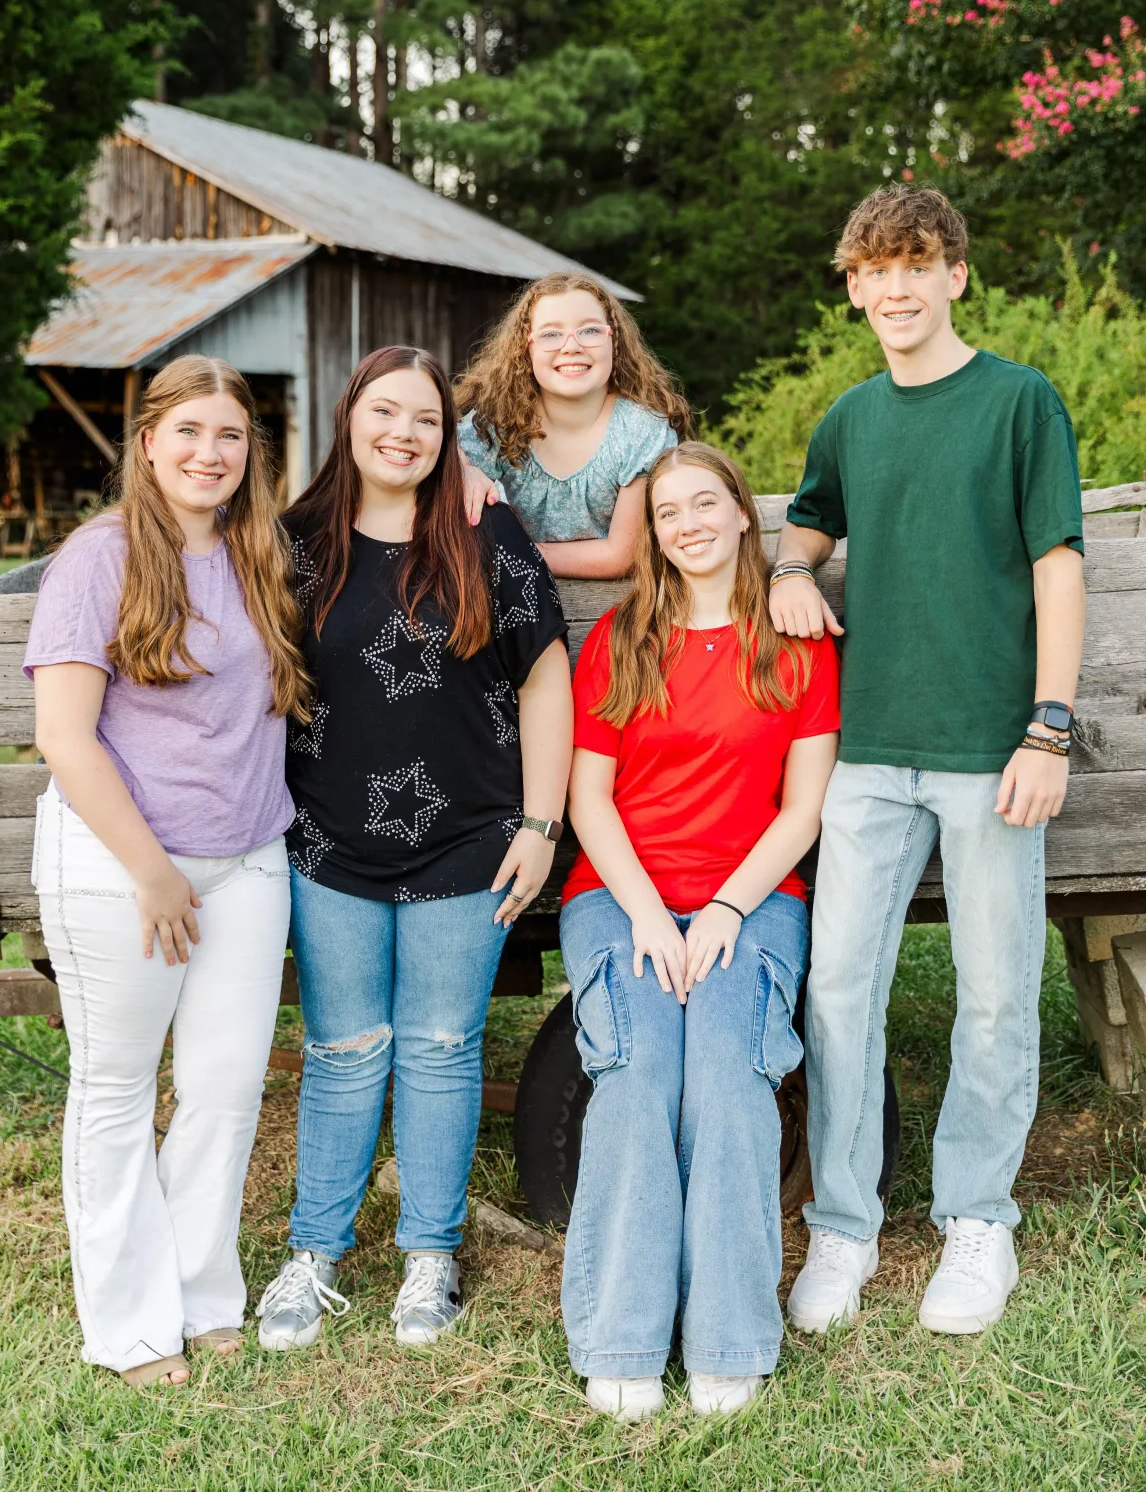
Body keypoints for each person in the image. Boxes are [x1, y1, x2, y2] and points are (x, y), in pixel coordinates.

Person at [774, 183, 1086, 1337]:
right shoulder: (851, 418)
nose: (896, 287)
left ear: (956, 275)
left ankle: (976, 1219)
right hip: (866, 756)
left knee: (995, 996)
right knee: (837, 990)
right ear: (854, 288)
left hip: (993, 752)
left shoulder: (1019, 401)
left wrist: (1049, 728)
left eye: (918, 265)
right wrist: (788, 570)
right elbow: (810, 519)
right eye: (876, 270)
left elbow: (1058, 565)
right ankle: (843, 1227)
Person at [255, 346, 573, 1352]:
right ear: (348, 417)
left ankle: (430, 1256)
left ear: (449, 438)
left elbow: (545, 677)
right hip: (329, 841)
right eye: (385, 412)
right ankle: (315, 1251)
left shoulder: (484, 533)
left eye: (427, 420)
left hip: (469, 841)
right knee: (343, 1050)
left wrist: (541, 825)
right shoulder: (295, 545)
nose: (404, 433)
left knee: (441, 1048)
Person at [25, 356, 310, 1388]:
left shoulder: (258, 551)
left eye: (229, 435)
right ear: (147, 444)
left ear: (250, 453)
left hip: (249, 861)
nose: (209, 452)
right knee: (115, 1089)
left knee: (225, 1090)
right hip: (125, 864)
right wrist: (151, 873)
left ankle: (199, 1293)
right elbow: (63, 736)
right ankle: (129, 1326)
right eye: (188, 431)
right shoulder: (99, 557)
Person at [561, 441, 840, 1421]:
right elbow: (589, 800)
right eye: (668, 511)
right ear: (654, 533)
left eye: (705, 503)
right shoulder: (622, 639)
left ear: (741, 512)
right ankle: (621, 1336)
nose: (688, 524)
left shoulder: (795, 643)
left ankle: (727, 1336)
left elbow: (801, 812)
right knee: (640, 1073)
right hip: (620, 893)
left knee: (727, 1076)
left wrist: (723, 909)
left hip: (753, 897)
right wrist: (648, 913)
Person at [455, 271, 692, 577]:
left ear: (614, 341)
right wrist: (463, 467)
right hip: (511, 601)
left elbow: (621, 555)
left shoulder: (640, 429)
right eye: (551, 334)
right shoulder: (499, 420)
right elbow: (438, 452)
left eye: (590, 331)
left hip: (615, 602)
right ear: (525, 348)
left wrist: (510, 552)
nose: (571, 347)